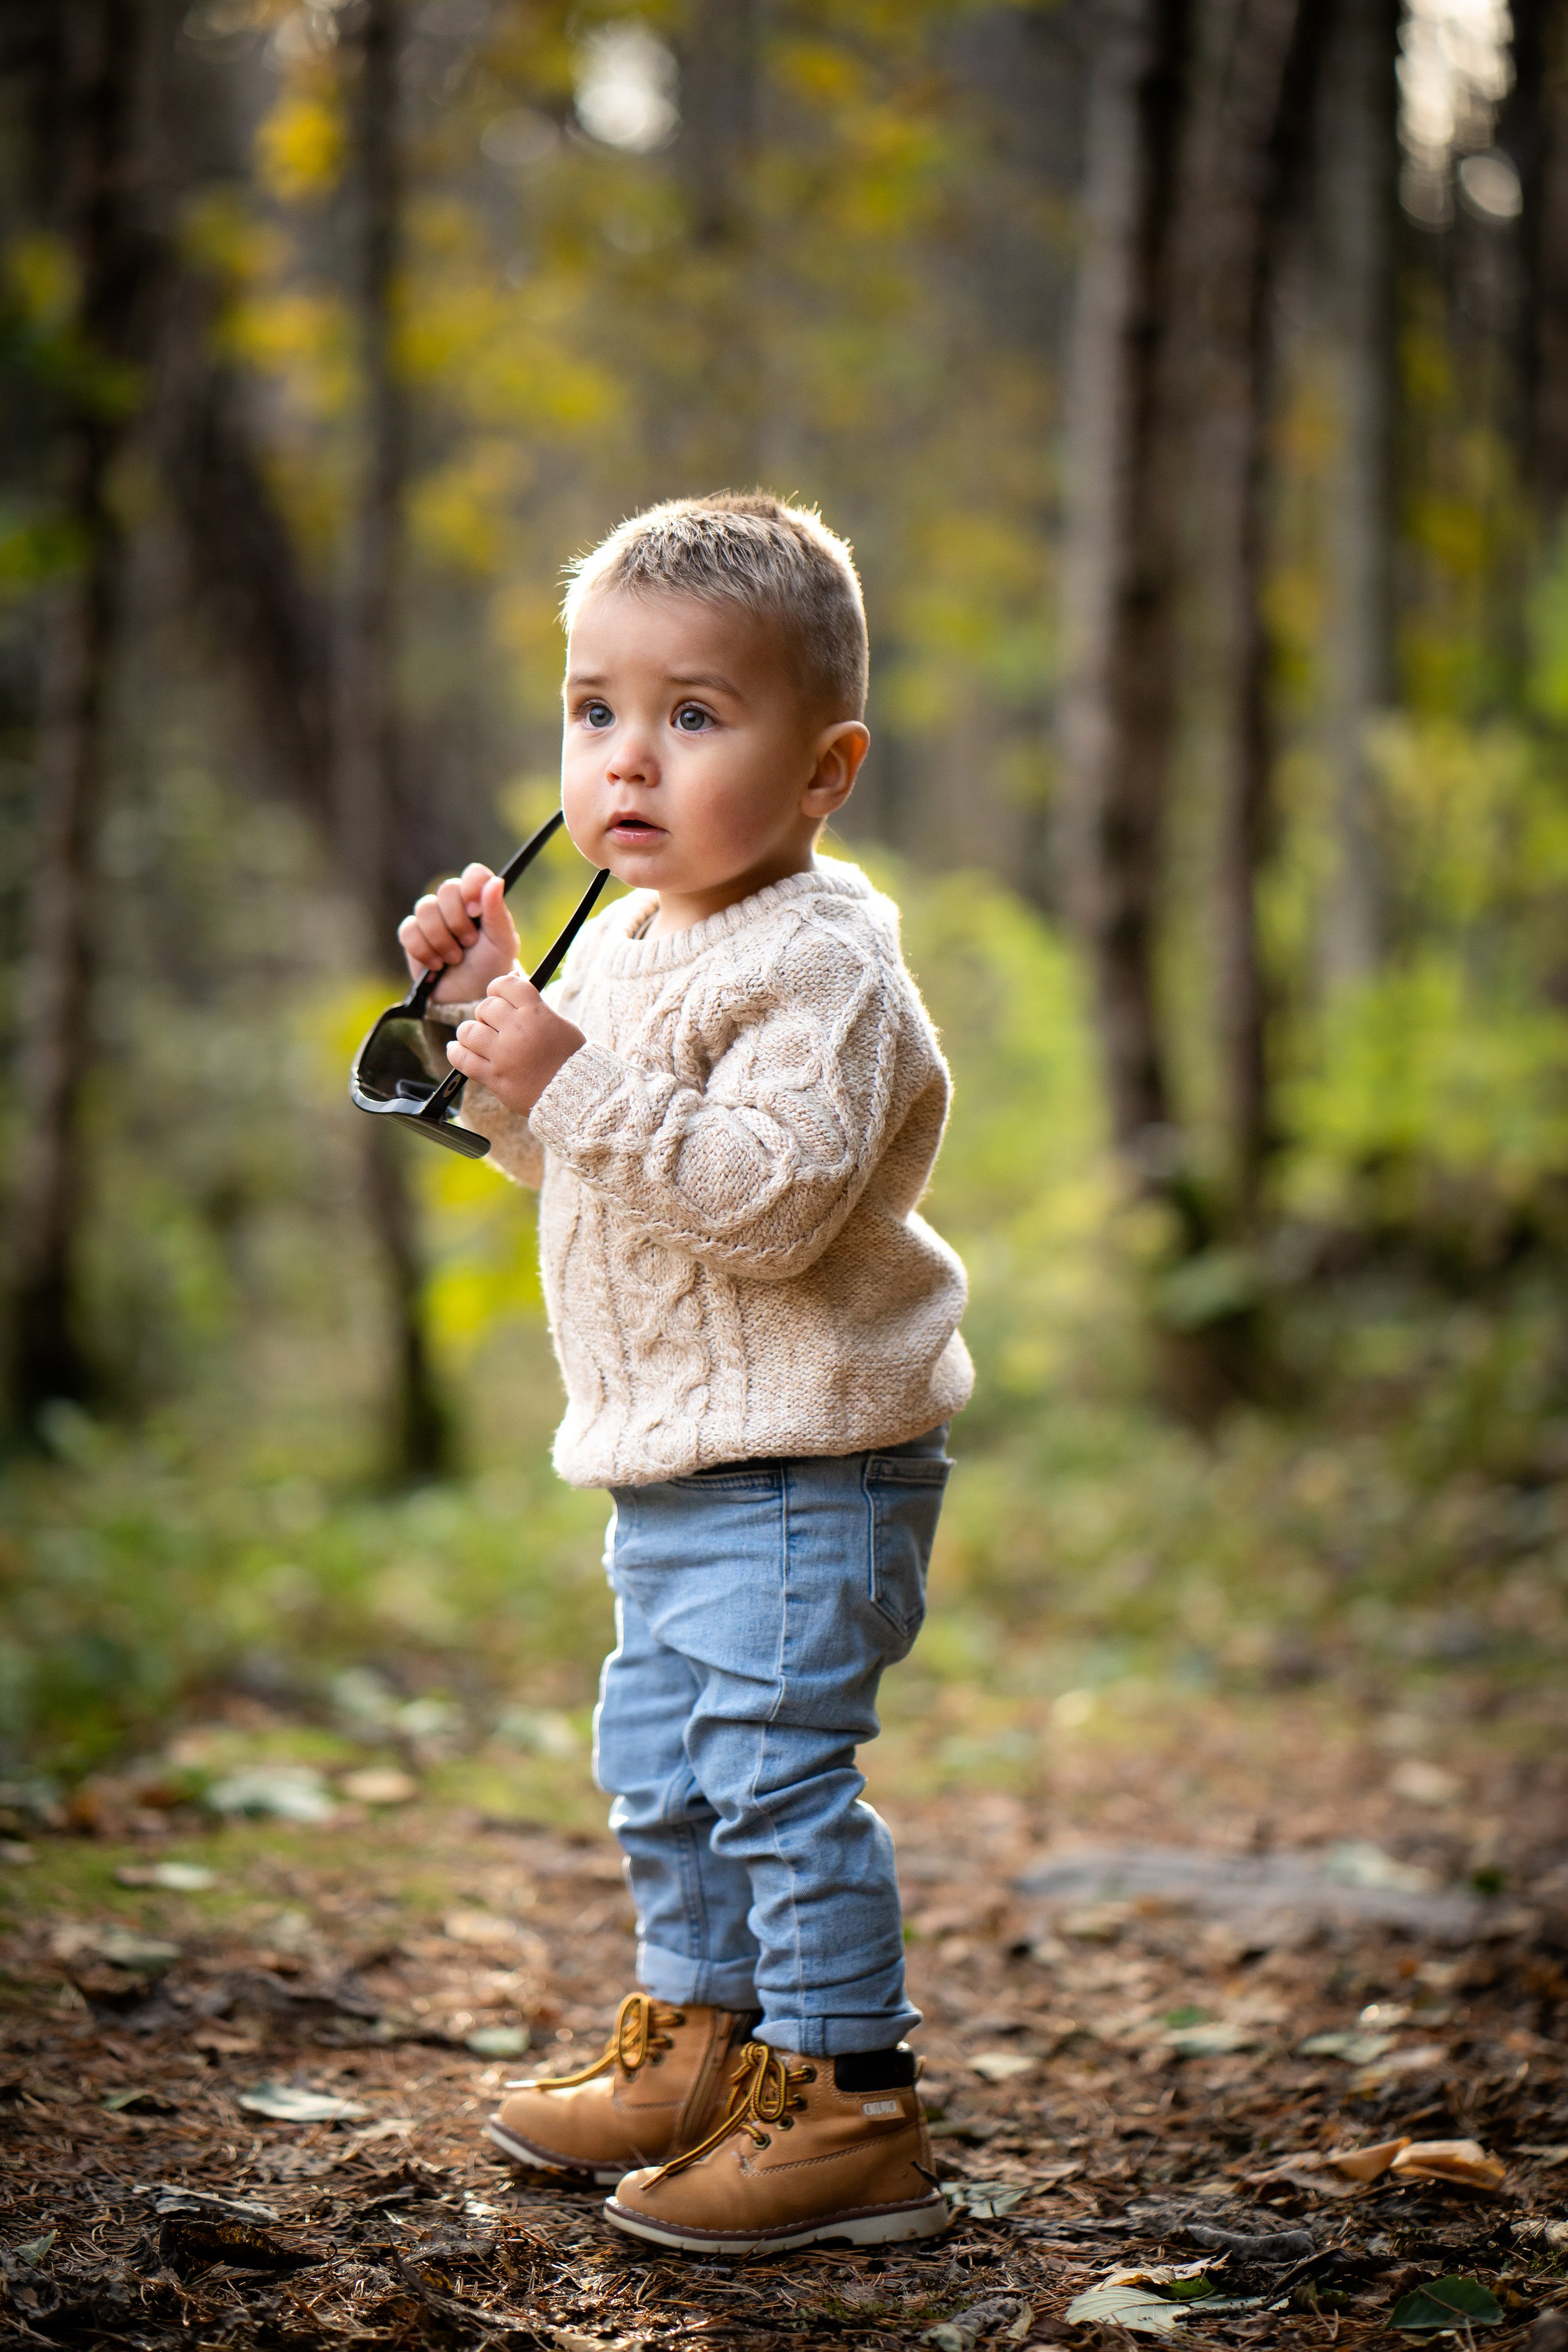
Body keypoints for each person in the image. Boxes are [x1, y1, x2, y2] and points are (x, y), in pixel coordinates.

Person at [398, 492, 973, 2255]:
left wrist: (568, 1073)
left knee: (776, 1776)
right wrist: (495, 1031)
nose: (628, 760)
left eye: (696, 716)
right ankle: (702, 2043)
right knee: (664, 1764)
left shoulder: (822, 963)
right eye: (595, 712)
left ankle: (847, 2100)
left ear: (826, 768)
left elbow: (767, 1208)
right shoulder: (631, 942)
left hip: (807, 1473)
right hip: (670, 1468)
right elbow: (584, 1168)